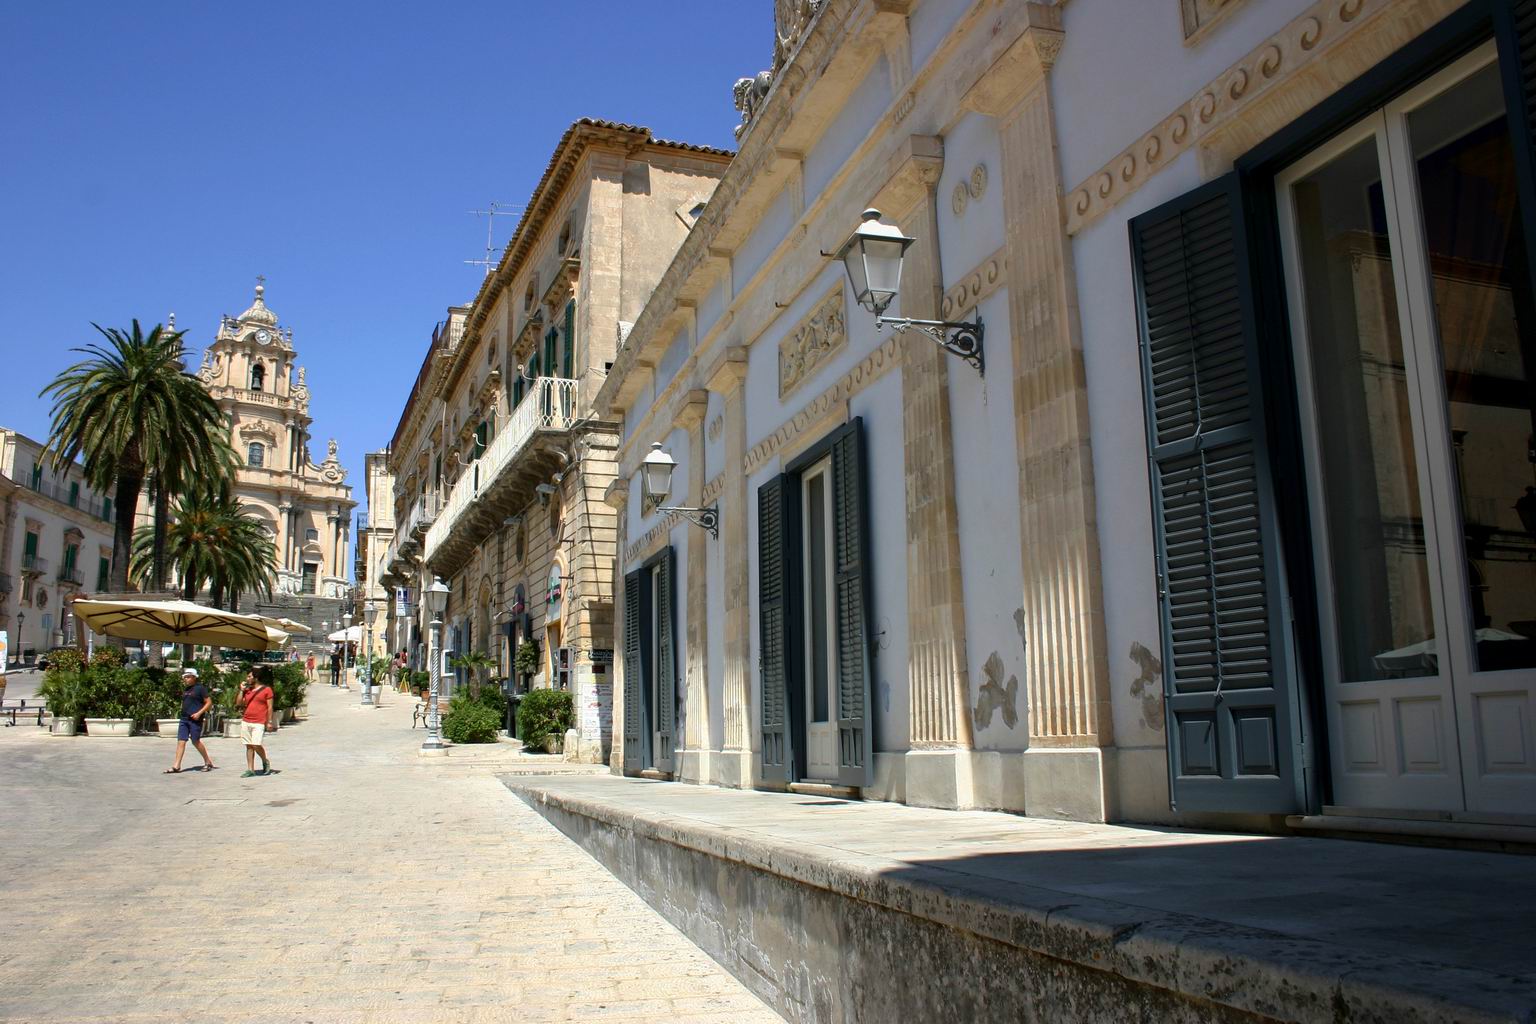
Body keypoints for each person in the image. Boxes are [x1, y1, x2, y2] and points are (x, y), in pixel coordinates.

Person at [165, 668, 215, 774]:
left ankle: (207, 761)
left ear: (194, 677)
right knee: (181, 741)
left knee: (195, 741)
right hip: (184, 719)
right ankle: (176, 766)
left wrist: (199, 713)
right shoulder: (186, 690)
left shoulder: (200, 689)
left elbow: (209, 703)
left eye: (188, 677)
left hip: (195, 719)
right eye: (185, 677)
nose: (186, 679)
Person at [236, 666, 277, 777]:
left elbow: (270, 707)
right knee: (249, 745)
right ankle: (250, 769)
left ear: (256, 677)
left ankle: (264, 760)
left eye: (249, 676)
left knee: (256, 744)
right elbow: (239, 703)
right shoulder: (247, 690)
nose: (247, 678)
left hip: (259, 721)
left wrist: (269, 721)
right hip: (247, 720)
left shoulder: (266, 690)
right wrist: (241, 690)